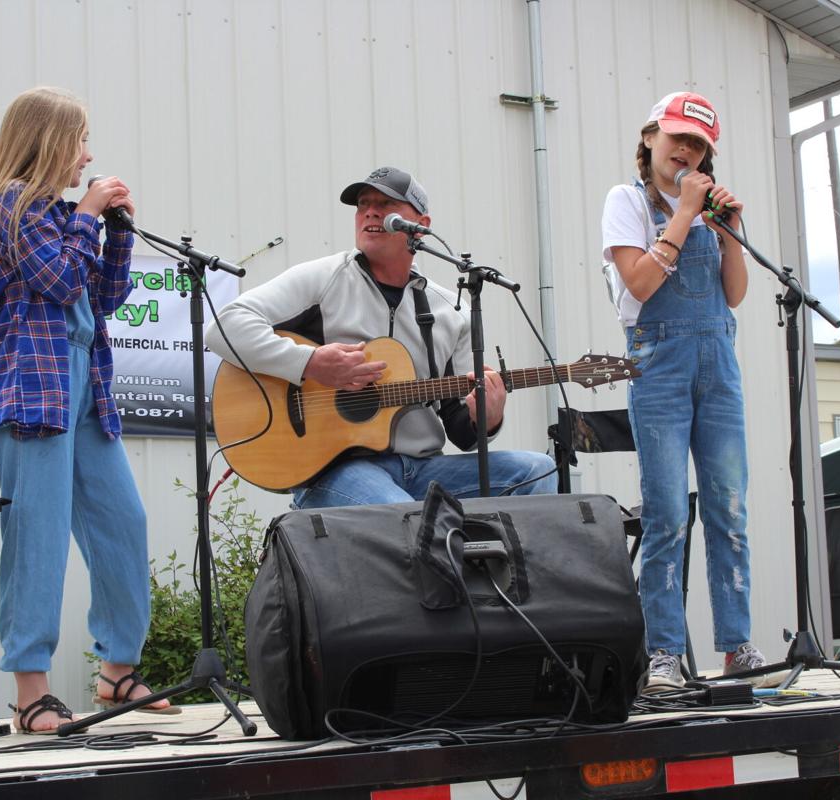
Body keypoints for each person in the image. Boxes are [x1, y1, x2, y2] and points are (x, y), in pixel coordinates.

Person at [0, 86, 177, 733]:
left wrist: (118, 229)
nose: (88, 156)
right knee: (39, 539)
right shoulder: (12, 205)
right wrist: (89, 211)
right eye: (81, 140)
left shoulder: (62, 215)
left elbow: (106, 296)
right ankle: (31, 693)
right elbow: (57, 283)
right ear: (51, 141)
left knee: (124, 520)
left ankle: (118, 671)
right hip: (35, 394)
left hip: (86, 395)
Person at [205, 167, 557, 507]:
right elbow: (224, 326)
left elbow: (461, 430)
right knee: (404, 517)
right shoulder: (324, 278)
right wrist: (310, 363)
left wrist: (488, 417)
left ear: (421, 225)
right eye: (362, 205)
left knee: (537, 471)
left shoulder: (453, 311)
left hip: (422, 469)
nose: (370, 212)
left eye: (385, 204)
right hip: (337, 470)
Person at [601, 92, 783, 692]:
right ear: (650, 135)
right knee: (667, 514)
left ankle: (736, 647)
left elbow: (734, 294)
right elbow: (640, 283)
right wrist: (684, 211)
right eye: (678, 137)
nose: (686, 151)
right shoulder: (626, 202)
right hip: (658, 365)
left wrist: (729, 230)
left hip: (718, 365)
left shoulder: (710, 209)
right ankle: (664, 654)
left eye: (699, 145)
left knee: (729, 506)